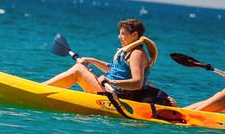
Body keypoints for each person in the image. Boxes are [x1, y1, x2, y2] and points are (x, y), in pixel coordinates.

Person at [42, 18, 177, 106]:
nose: (119, 37)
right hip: (108, 88)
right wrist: (92, 60)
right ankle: (44, 89)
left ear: (135, 35)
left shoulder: (137, 54)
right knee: (80, 67)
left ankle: (41, 89)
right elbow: (112, 70)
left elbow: (137, 83)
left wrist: (110, 81)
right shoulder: (127, 51)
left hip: (114, 95)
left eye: (123, 34)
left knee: (78, 71)